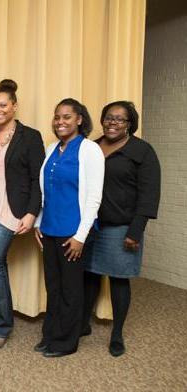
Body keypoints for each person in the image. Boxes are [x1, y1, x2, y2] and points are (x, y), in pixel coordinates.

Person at [82, 101, 161, 357]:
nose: (112, 123)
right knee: (90, 276)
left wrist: (135, 231)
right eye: (108, 118)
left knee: (118, 279)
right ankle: (83, 324)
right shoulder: (92, 146)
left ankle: (117, 334)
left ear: (130, 124)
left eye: (119, 119)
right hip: (91, 225)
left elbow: (149, 195)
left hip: (121, 226)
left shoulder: (142, 151)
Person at [34, 98, 105, 357]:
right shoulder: (53, 147)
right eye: (56, 117)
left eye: (66, 117)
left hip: (73, 233)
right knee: (53, 286)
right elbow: (46, 190)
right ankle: (51, 334)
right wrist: (39, 222)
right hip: (50, 229)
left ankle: (67, 341)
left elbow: (94, 197)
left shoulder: (89, 150)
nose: (60, 122)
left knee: (71, 289)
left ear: (79, 120)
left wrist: (80, 236)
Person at [0, 79, 45, 348]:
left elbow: (37, 180)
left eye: (3, 105)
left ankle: (2, 325)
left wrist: (32, 213)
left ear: (14, 106)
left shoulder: (30, 136)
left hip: (11, 210)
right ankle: (2, 318)